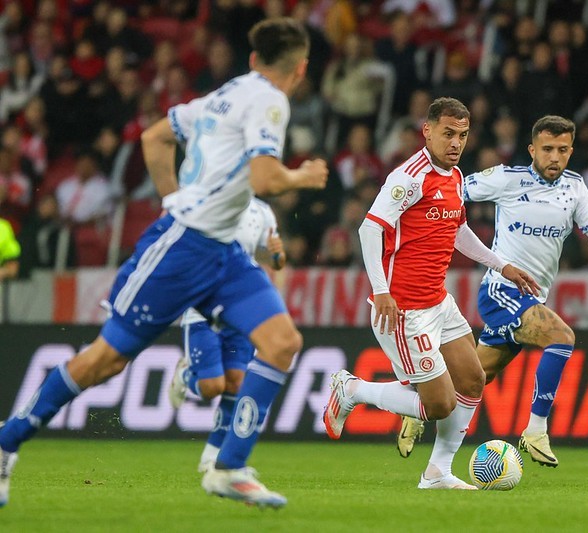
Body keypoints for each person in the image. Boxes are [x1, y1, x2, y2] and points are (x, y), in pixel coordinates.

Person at [0, 18, 328, 509]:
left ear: (254, 59)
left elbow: (155, 137)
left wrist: (177, 197)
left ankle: (228, 467)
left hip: (223, 252)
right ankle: (7, 442)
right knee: (103, 361)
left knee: (282, 342)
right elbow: (265, 179)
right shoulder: (271, 102)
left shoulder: (223, 94)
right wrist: (303, 177)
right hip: (183, 248)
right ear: (301, 68)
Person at [323, 97, 537, 490]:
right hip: (403, 311)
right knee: (440, 404)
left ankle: (437, 472)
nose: (456, 143)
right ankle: (351, 389)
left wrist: (500, 264)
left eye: (463, 135)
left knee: (473, 379)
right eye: (448, 134)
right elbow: (369, 229)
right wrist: (381, 290)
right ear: (428, 131)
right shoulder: (408, 177)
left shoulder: (455, 178)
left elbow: (457, 232)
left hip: (439, 301)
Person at [396, 116, 588, 467]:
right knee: (561, 337)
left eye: (562, 150)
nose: (554, 157)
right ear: (532, 150)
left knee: (476, 378)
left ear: (571, 151)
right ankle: (535, 430)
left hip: (535, 296)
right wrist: (417, 219)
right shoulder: (507, 178)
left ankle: (418, 404)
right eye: (547, 150)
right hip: (502, 289)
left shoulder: (575, 187)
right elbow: (452, 192)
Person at [167, 197, 286, 473]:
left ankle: (211, 456)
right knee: (212, 387)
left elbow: (273, 259)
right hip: (203, 308)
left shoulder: (262, 211)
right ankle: (186, 375)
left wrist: (277, 255)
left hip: (239, 311)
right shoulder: (210, 199)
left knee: (236, 383)